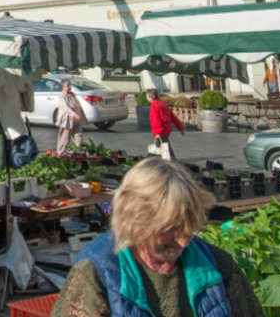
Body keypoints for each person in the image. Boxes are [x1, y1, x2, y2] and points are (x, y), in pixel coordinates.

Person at [57, 158, 262, 316]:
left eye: (189, 226)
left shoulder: (218, 266)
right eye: (171, 228)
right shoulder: (97, 274)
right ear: (135, 220)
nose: (183, 241)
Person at [147, 90, 184, 160]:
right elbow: (173, 117)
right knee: (164, 146)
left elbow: (156, 120)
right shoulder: (163, 104)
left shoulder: (154, 106)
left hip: (160, 131)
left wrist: (158, 134)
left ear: (150, 96)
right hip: (166, 130)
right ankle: (167, 160)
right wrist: (180, 128)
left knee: (164, 148)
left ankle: (171, 162)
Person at [56, 79, 88, 154]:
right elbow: (65, 107)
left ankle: (79, 150)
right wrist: (74, 114)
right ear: (63, 87)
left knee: (78, 135)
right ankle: (61, 152)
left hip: (76, 119)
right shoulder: (61, 96)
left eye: (70, 85)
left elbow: (78, 106)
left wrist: (81, 115)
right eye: (68, 86)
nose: (69, 87)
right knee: (65, 137)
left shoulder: (72, 95)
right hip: (67, 119)